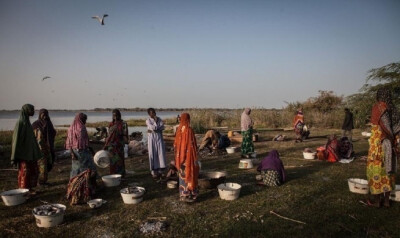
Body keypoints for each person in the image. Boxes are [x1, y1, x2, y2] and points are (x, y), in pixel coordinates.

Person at [366, 88, 398, 208]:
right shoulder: (393, 109)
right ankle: (386, 201)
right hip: (391, 143)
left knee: (376, 170)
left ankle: (377, 201)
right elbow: (396, 128)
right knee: (388, 170)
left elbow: (380, 125)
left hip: (378, 144)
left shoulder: (377, 107)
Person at [11, 104, 42, 194]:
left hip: (30, 153)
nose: (33, 112)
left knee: (32, 171)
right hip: (23, 153)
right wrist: (15, 155)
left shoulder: (27, 122)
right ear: (26, 111)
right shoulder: (21, 123)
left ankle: (30, 189)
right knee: (25, 172)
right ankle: (24, 191)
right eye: (31, 110)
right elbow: (16, 140)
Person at [174, 113, 200, 202]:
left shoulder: (178, 130)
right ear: (188, 119)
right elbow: (193, 144)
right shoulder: (189, 130)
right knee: (190, 174)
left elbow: (176, 145)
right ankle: (191, 194)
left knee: (182, 176)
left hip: (180, 158)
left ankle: (183, 194)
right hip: (188, 158)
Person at [65, 113, 97, 179]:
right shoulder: (81, 128)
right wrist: (91, 149)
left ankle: (75, 185)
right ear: (80, 119)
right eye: (84, 120)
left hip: (74, 151)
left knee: (76, 169)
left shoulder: (71, 127)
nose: (85, 121)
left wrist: (72, 153)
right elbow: (83, 142)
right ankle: (88, 184)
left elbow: (69, 142)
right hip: (82, 151)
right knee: (89, 168)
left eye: (85, 120)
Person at [32, 109, 56, 186]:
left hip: (48, 147)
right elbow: (33, 136)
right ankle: (41, 182)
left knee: (48, 163)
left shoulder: (49, 123)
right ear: (40, 115)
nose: (44, 115)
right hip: (39, 148)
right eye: (42, 114)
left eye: (45, 114)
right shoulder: (36, 124)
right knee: (41, 165)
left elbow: (52, 133)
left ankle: (43, 180)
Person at [104, 109, 128, 177]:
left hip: (119, 145)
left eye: (117, 115)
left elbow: (125, 134)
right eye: (114, 115)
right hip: (111, 146)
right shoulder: (111, 124)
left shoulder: (123, 124)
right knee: (113, 161)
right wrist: (106, 144)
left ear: (119, 115)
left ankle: (121, 175)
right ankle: (113, 175)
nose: (115, 117)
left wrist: (124, 141)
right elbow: (109, 135)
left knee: (119, 161)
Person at [146, 108, 167, 180]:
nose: (154, 114)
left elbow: (162, 127)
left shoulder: (159, 119)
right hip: (152, 139)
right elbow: (153, 128)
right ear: (149, 114)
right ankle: (154, 171)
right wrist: (155, 123)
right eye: (152, 113)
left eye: (154, 112)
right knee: (153, 153)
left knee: (160, 153)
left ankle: (161, 170)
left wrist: (156, 128)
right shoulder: (148, 120)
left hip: (159, 138)